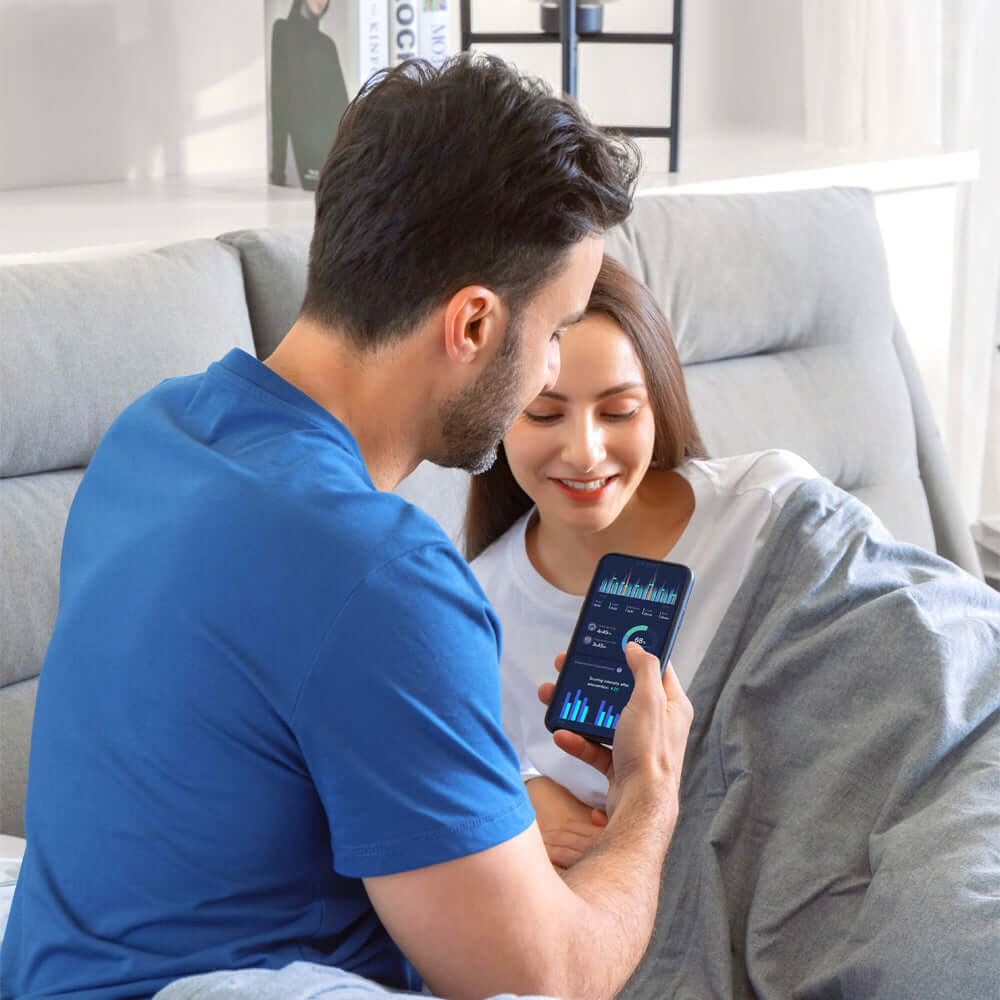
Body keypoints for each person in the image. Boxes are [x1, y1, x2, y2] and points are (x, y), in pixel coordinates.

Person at [2, 57, 694, 1000]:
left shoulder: (151, 434)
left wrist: (489, 821)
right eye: (557, 328)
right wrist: (649, 801)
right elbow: (550, 979)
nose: (548, 374)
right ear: (475, 323)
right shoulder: (377, 572)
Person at [467, 255, 819, 868]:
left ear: (658, 406)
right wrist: (524, 806)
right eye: (545, 413)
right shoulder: (474, 609)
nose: (585, 452)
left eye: (619, 411)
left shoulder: (772, 505)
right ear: (498, 416)